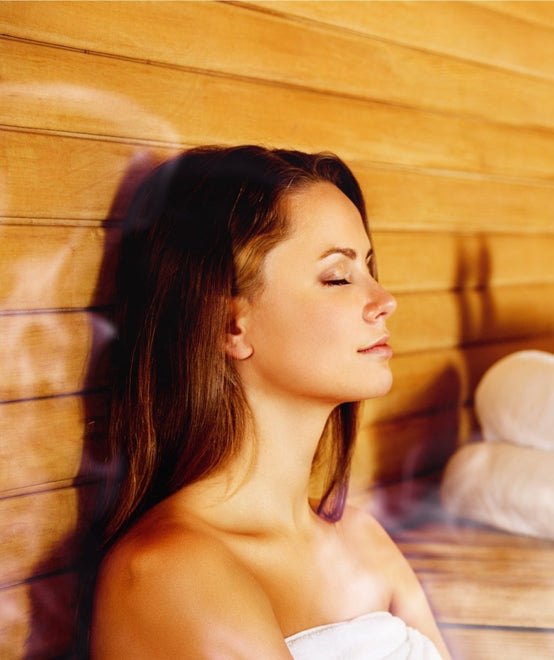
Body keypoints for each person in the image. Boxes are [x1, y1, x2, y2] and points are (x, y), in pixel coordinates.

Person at [89, 145, 451, 659]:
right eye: (338, 277)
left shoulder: (363, 542)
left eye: (369, 267)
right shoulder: (168, 572)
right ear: (231, 324)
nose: (384, 299)